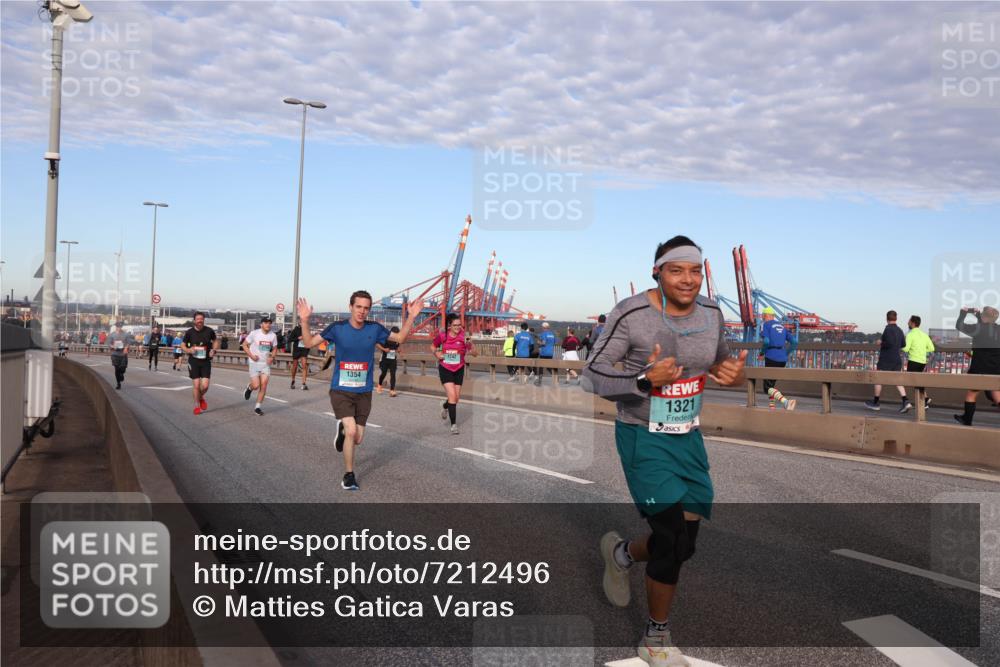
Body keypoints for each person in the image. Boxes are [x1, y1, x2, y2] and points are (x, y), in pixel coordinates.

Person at [583, 235, 746, 667]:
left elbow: (721, 361)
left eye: (695, 270)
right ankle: (656, 637)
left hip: (687, 437)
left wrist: (730, 373)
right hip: (643, 435)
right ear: (657, 271)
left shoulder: (712, 312)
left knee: (684, 545)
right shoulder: (632, 313)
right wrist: (642, 379)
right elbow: (592, 375)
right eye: (677, 270)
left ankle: (621, 554)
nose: (688, 279)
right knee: (672, 538)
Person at [296, 292, 424, 491]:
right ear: (350, 307)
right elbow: (310, 342)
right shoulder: (337, 328)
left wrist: (412, 317)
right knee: (352, 430)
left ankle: (342, 430)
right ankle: (349, 475)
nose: (362, 311)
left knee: (358, 438)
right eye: (359, 307)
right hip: (341, 390)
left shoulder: (375, 329)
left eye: (366, 308)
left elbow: (400, 338)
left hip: (364, 391)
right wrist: (304, 321)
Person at [431, 314, 477, 434]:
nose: (458, 327)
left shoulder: (463, 337)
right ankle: (454, 425)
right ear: (449, 326)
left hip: (459, 369)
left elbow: (475, 353)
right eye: (455, 325)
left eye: (459, 325)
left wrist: (471, 344)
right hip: (445, 368)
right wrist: (437, 354)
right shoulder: (443, 336)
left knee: (455, 398)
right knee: (452, 396)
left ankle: (445, 406)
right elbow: (432, 347)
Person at [954, 306, 1000, 425]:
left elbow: (959, 325)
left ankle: (967, 419)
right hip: (996, 369)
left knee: (972, 394)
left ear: (983, 316)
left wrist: (963, 313)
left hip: (979, 368)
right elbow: (986, 324)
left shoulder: (978, 328)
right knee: (997, 395)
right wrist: (979, 315)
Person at [865, 310, 908, 411]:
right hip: (897, 359)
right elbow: (903, 344)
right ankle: (905, 401)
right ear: (896, 318)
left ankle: (875, 403)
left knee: (878, 379)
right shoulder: (900, 330)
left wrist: (881, 342)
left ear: (887, 318)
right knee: (897, 380)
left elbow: (889, 343)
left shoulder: (888, 329)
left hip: (886, 359)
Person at [758, 307, 797, 411]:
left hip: (771, 357)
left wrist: (762, 353)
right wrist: (786, 353)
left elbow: (766, 341)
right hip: (782, 359)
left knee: (767, 388)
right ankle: (772, 407)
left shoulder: (766, 325)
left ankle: (786, 402)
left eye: (763, 316)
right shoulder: (782, 327)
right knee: (772, 385)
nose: (762, 318)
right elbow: (794, 342)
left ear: (766, 315)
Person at [182, 311, 219, 415]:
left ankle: (201, 396)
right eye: (198, 319)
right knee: (197, 385)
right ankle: (197, 406)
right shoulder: (189, 332)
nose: (200, 321)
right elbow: (183, 345)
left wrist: (214, 350)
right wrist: (189, 350)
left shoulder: (209, 331)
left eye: (201, 319)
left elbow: (216, 341)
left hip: (206, 361)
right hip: (193, 361)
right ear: (194, 320)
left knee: (205, 386)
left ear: (203, 320)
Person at [242, 317, 277, 415]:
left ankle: (258, 407)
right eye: (266, 323)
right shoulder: (254, 333)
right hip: (254, 362)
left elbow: (274, 348)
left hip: (265, 364)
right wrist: (252, 356)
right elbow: (244, 345)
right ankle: (250, 388)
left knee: (264, 386)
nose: (268, 325)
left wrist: (272, 357)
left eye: (270, 323)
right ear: (261, 324)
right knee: (256, 385)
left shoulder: (273, 335)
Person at [900, 315, 934, 413]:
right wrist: (923, 351)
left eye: (909, 321)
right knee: (918, 382)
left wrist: (900, 346)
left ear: (912, 323)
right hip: (922, 361)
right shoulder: (924, 334)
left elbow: (905, 348)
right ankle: (926, 400)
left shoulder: (910, 334)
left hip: (913, 360)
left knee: (914, 382)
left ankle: (925, 403)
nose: (907, 322)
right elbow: (932, 348)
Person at [376, 326, 401, 396]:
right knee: (383, 373)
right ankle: (380, 385)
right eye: (395, 334)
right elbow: (377, 344)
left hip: (393, 359)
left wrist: (398, 350)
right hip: (384, 358)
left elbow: (396, 347)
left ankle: (392, 390)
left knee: (393, 374)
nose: (396, 335)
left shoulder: (397, 340)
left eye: (397, 334)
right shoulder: (385, 338)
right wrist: (384, 349)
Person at [107, 323, 130, 390]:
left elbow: (128, 342)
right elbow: (109, 343)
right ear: (116, 327)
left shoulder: (126, 334)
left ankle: (122, 373)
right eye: (118, 326)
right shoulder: (112, 335)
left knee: (123, 368)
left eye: (120, 326)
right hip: (115, 354)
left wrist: (126, 348)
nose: (119, 328)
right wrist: (112, 346)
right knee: (117, 368)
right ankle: (118, 383)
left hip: (123, 353)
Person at [288, 323, 311, 390]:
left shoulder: (307, 330)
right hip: (297, 349)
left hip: (304, 349)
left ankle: (303, 383)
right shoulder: (296, 329)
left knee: (304, 365)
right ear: (299, 323)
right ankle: (293, 380)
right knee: (295, 366)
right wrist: (298, 338)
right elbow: (290, 339)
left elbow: (309, 339)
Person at [535, 321, 557, 386]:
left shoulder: (544, 334)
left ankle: (539, 382)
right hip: (550, 353)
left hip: (544, 352)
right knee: (548, 366)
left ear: (544, 327)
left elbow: (543, 343)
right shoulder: (552, 334)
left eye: (542, 327)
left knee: (541, 367)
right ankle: (555, 376)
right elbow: (555, 343)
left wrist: (539, 343)